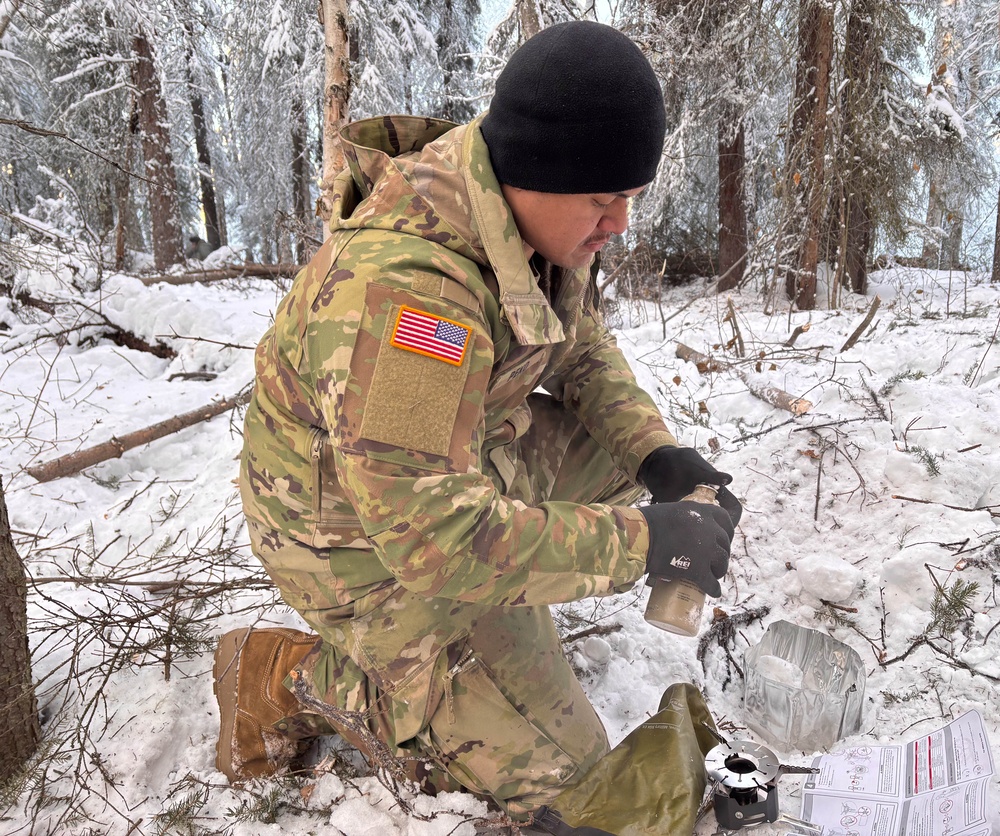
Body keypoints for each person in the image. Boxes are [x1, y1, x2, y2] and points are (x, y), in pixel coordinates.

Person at [214, 20, 742, 834]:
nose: (621, 225)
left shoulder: (524, 213)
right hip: (354, 542)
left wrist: (657, 455)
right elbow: (431, 542)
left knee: (614, 466)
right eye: (605, 200)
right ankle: (286, 676)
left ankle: (493, 617)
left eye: (629, 197)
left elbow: (580, 344)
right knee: (570, 781)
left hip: (446, 471)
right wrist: (639, 544)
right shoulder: (412, 298)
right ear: (538, 172)